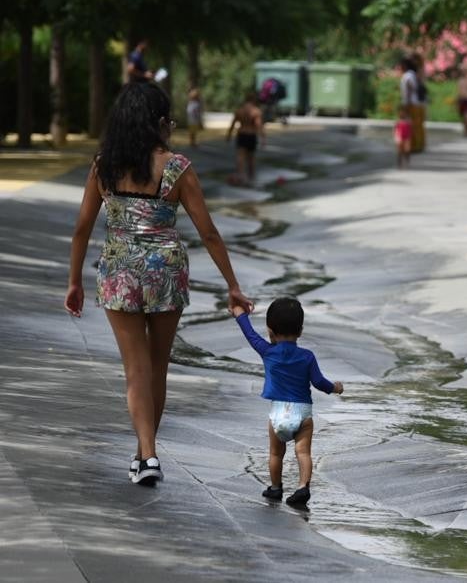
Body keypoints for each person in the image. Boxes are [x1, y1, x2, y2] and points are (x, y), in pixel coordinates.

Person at [65, 81, 252, 485]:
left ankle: (146, 454)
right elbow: (209, 233)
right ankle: (144, 454)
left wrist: (74, 281)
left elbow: (82, 229)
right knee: (157, 368)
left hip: (118, 271)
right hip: (166, 271)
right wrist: (232, 285)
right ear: (159, 123)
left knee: (135, 371)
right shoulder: (176, 167)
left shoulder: (104, 166)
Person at [229, 297, 343, 507]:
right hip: (303, 414)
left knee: (275, 453)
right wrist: (335, 387)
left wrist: (239, 313)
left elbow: (250, 334)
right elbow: (318, 382)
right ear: (300, 331)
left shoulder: (267, 351)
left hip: (278, 414)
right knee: (303, 452)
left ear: (270, 330)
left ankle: (275, 487)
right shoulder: (307, 356)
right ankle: (302, 487)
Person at [226, 92, 264, 186]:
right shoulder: (256, 111)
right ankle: (252, 177)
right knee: (251, 158)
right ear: (253, 100)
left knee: (240, 157)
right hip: (251, 135)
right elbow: (259, 126)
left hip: (242, 134)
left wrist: (229, 135)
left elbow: (232, 124)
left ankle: (241, 177)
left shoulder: (239, 110)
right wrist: (263, 138)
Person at [398, 54, 427, 153]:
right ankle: (419, 145)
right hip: (417, 103)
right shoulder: (413, 74)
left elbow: (410, 88)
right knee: (417, 126)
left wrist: (407, 104)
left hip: (411, 103)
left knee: (412, 126)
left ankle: (413, 146)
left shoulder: (407, 75)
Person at [393, 104, 413, 169]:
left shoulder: (408, 120)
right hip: (399, 137)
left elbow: (410, 129)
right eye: (401, 111)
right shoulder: (398, 120)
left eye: (403, 111)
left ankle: (407, 162)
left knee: (407, 150)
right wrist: (395, 136)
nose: (402, 113)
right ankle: (399, 164)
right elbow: (395, 129)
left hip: (407, 137)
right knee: (399, 151)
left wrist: (410, 136)